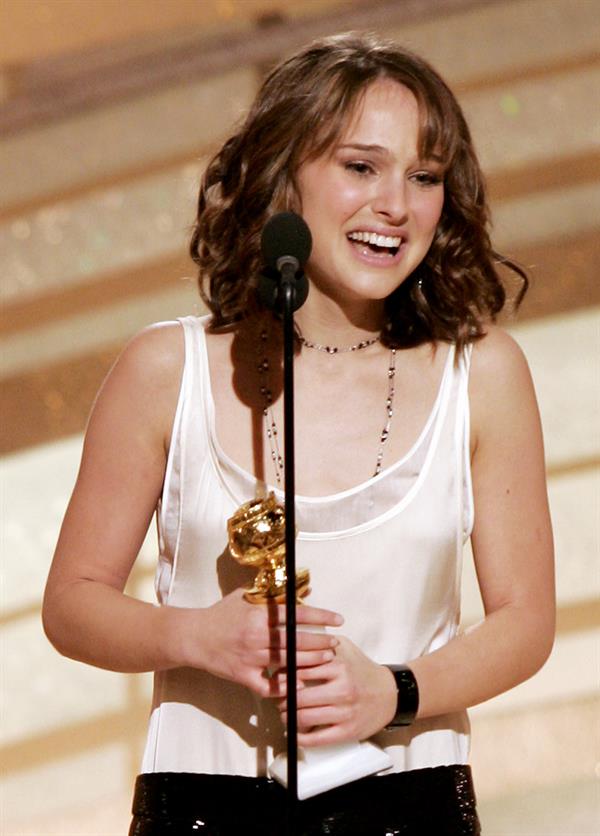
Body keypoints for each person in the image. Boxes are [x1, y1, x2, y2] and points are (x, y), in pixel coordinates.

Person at [43, 32, 555, 835]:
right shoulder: (163, 369)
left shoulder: (483, 372)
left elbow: (526, 622)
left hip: (409, 803)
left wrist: (395, 691)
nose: (396, 203)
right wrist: (197, 636)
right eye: (360, 166)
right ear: (285, 178)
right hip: (202, 808)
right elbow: (72, 606)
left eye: (424, 177)